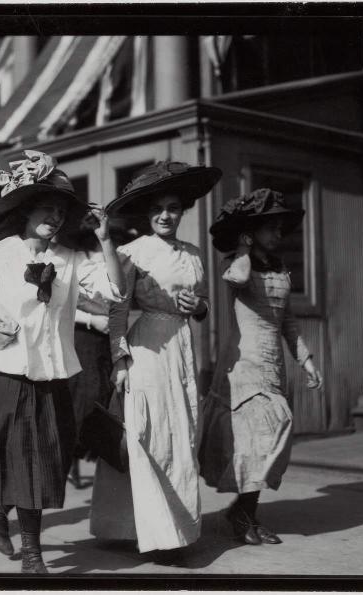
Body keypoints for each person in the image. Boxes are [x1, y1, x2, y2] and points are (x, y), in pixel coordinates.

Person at [0, 150, 126, 574]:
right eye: (46, 207)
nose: (55, 217)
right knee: (19, 460)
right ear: (25, 209)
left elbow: (114, 293)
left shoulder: (71, 259)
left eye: (61, 211)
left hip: (51, 377)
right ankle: (33, 555)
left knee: (42, 462)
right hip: (4, 377)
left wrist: (105, 240)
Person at [89, 161, 222, 564]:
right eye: (159, 209)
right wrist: (120, 359)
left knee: (180, 433)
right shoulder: (133, 252)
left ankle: (174, 529)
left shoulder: (194, 255)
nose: (166, 216)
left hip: (181, 347)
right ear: (148, 213)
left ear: (183, 212)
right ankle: (145, 530)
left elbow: (202, 306)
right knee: (147, 434)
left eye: (175, 208)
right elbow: (116, 310)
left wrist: (198, 306)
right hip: (146, 347)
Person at [199, 188, 323, 546]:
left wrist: (307, 360)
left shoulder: (281, 267)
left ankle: (243, 511)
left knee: (269, 440)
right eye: (270, 227)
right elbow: (237, 280)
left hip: (274, 364)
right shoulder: (236, 263)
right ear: (251, 232)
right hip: (244, 363)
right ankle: (244, 514)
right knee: (258, 439)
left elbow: (289, 322)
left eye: (280, 227)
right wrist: (243, 248)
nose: (278, 233)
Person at [63, 212, 115, 489]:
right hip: (80, 335)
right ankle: (70, 458)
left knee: (103, 394)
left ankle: (90, 456)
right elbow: (62, 304)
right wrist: (90, 319)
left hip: (105, 338)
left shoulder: (110, 258)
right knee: (81, 396)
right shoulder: (75, 261)